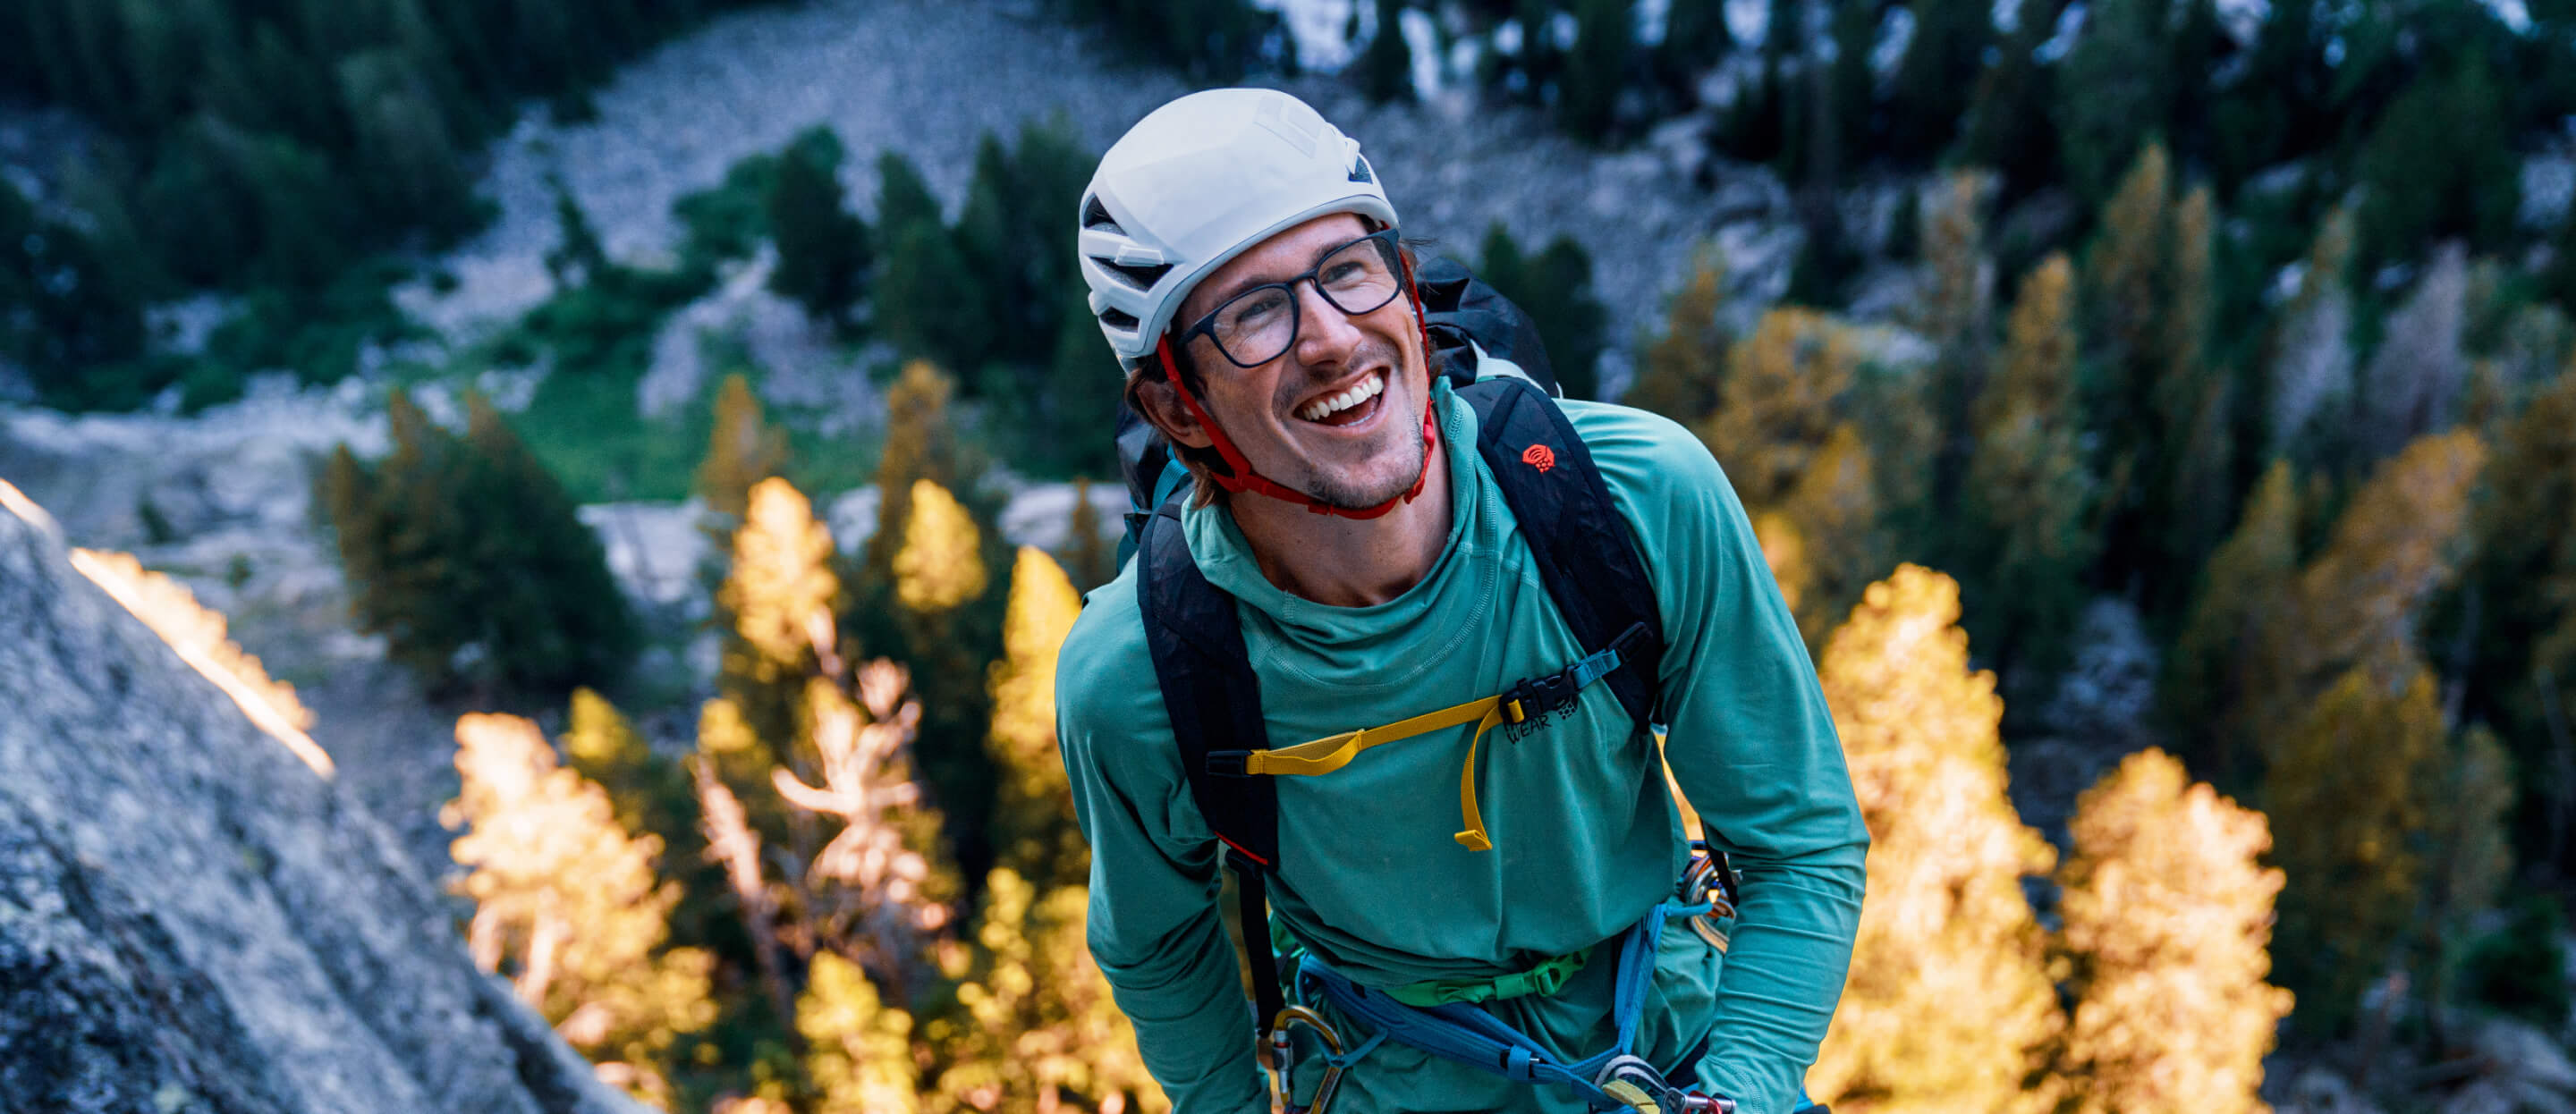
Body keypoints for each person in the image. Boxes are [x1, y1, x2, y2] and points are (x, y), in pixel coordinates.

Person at [1057, 88, 1867, 1114]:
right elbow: (1156, 942)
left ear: (1405, 287)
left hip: (1677, 1046)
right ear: (1177, 402)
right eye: (1254, 312)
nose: (1332, 339)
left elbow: (1796, 838)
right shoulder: (1140, 670)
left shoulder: (1635, 497)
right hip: (1383, 1077)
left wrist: (1742, 1088)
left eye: (1350, 272)